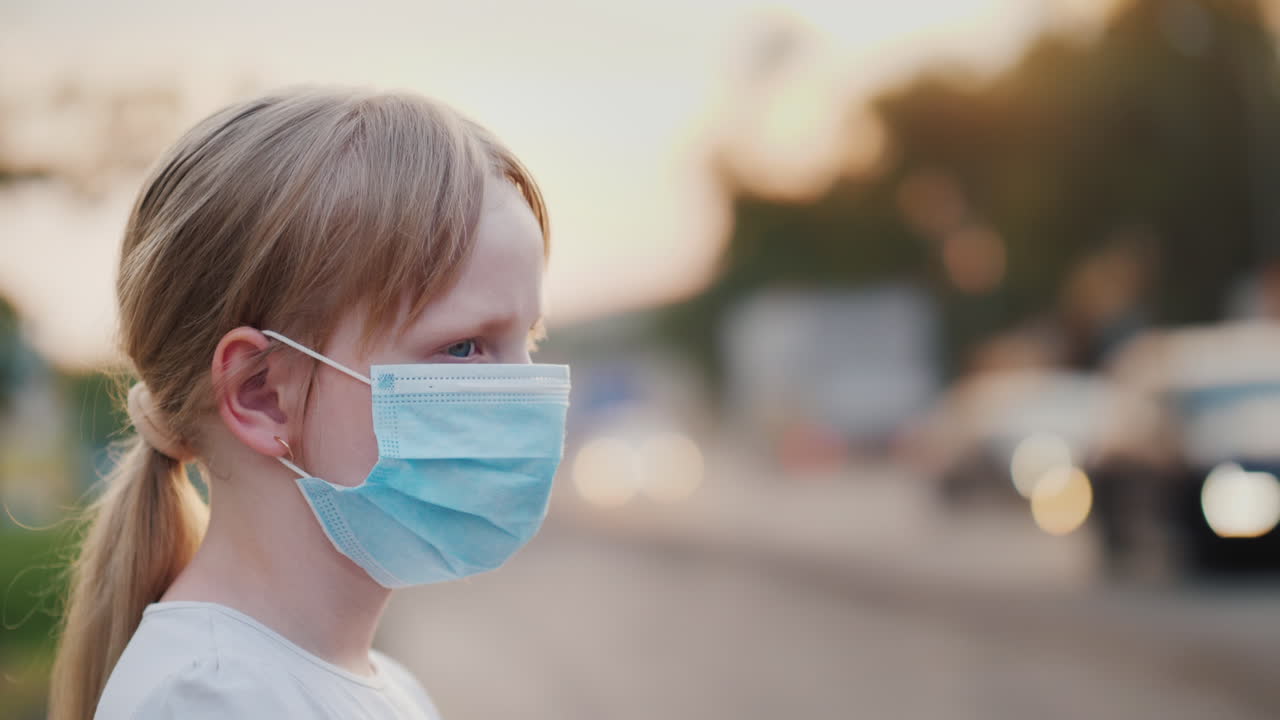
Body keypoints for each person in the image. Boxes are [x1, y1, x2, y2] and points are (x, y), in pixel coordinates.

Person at [48, 86, 571, 720]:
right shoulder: (209, 699)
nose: (520, 392)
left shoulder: (377, 686)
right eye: (464, 348)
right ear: (261, 394)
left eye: (529, 340)